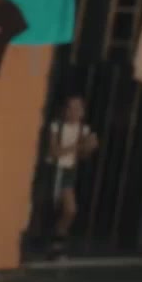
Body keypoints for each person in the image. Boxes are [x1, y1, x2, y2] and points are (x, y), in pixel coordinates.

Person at [44, 94, 98, 254]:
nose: (74, 112)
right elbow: (54, 152)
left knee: (70, 209)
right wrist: (79, 145)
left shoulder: (84, 129)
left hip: (69, 171)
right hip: (53, 170)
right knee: (48, 208)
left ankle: (58, 241)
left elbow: (83, 156)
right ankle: (44, 241)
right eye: (71, 107)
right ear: (65, 110)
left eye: (78, 108)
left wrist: (89, 147)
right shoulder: (56, 126)